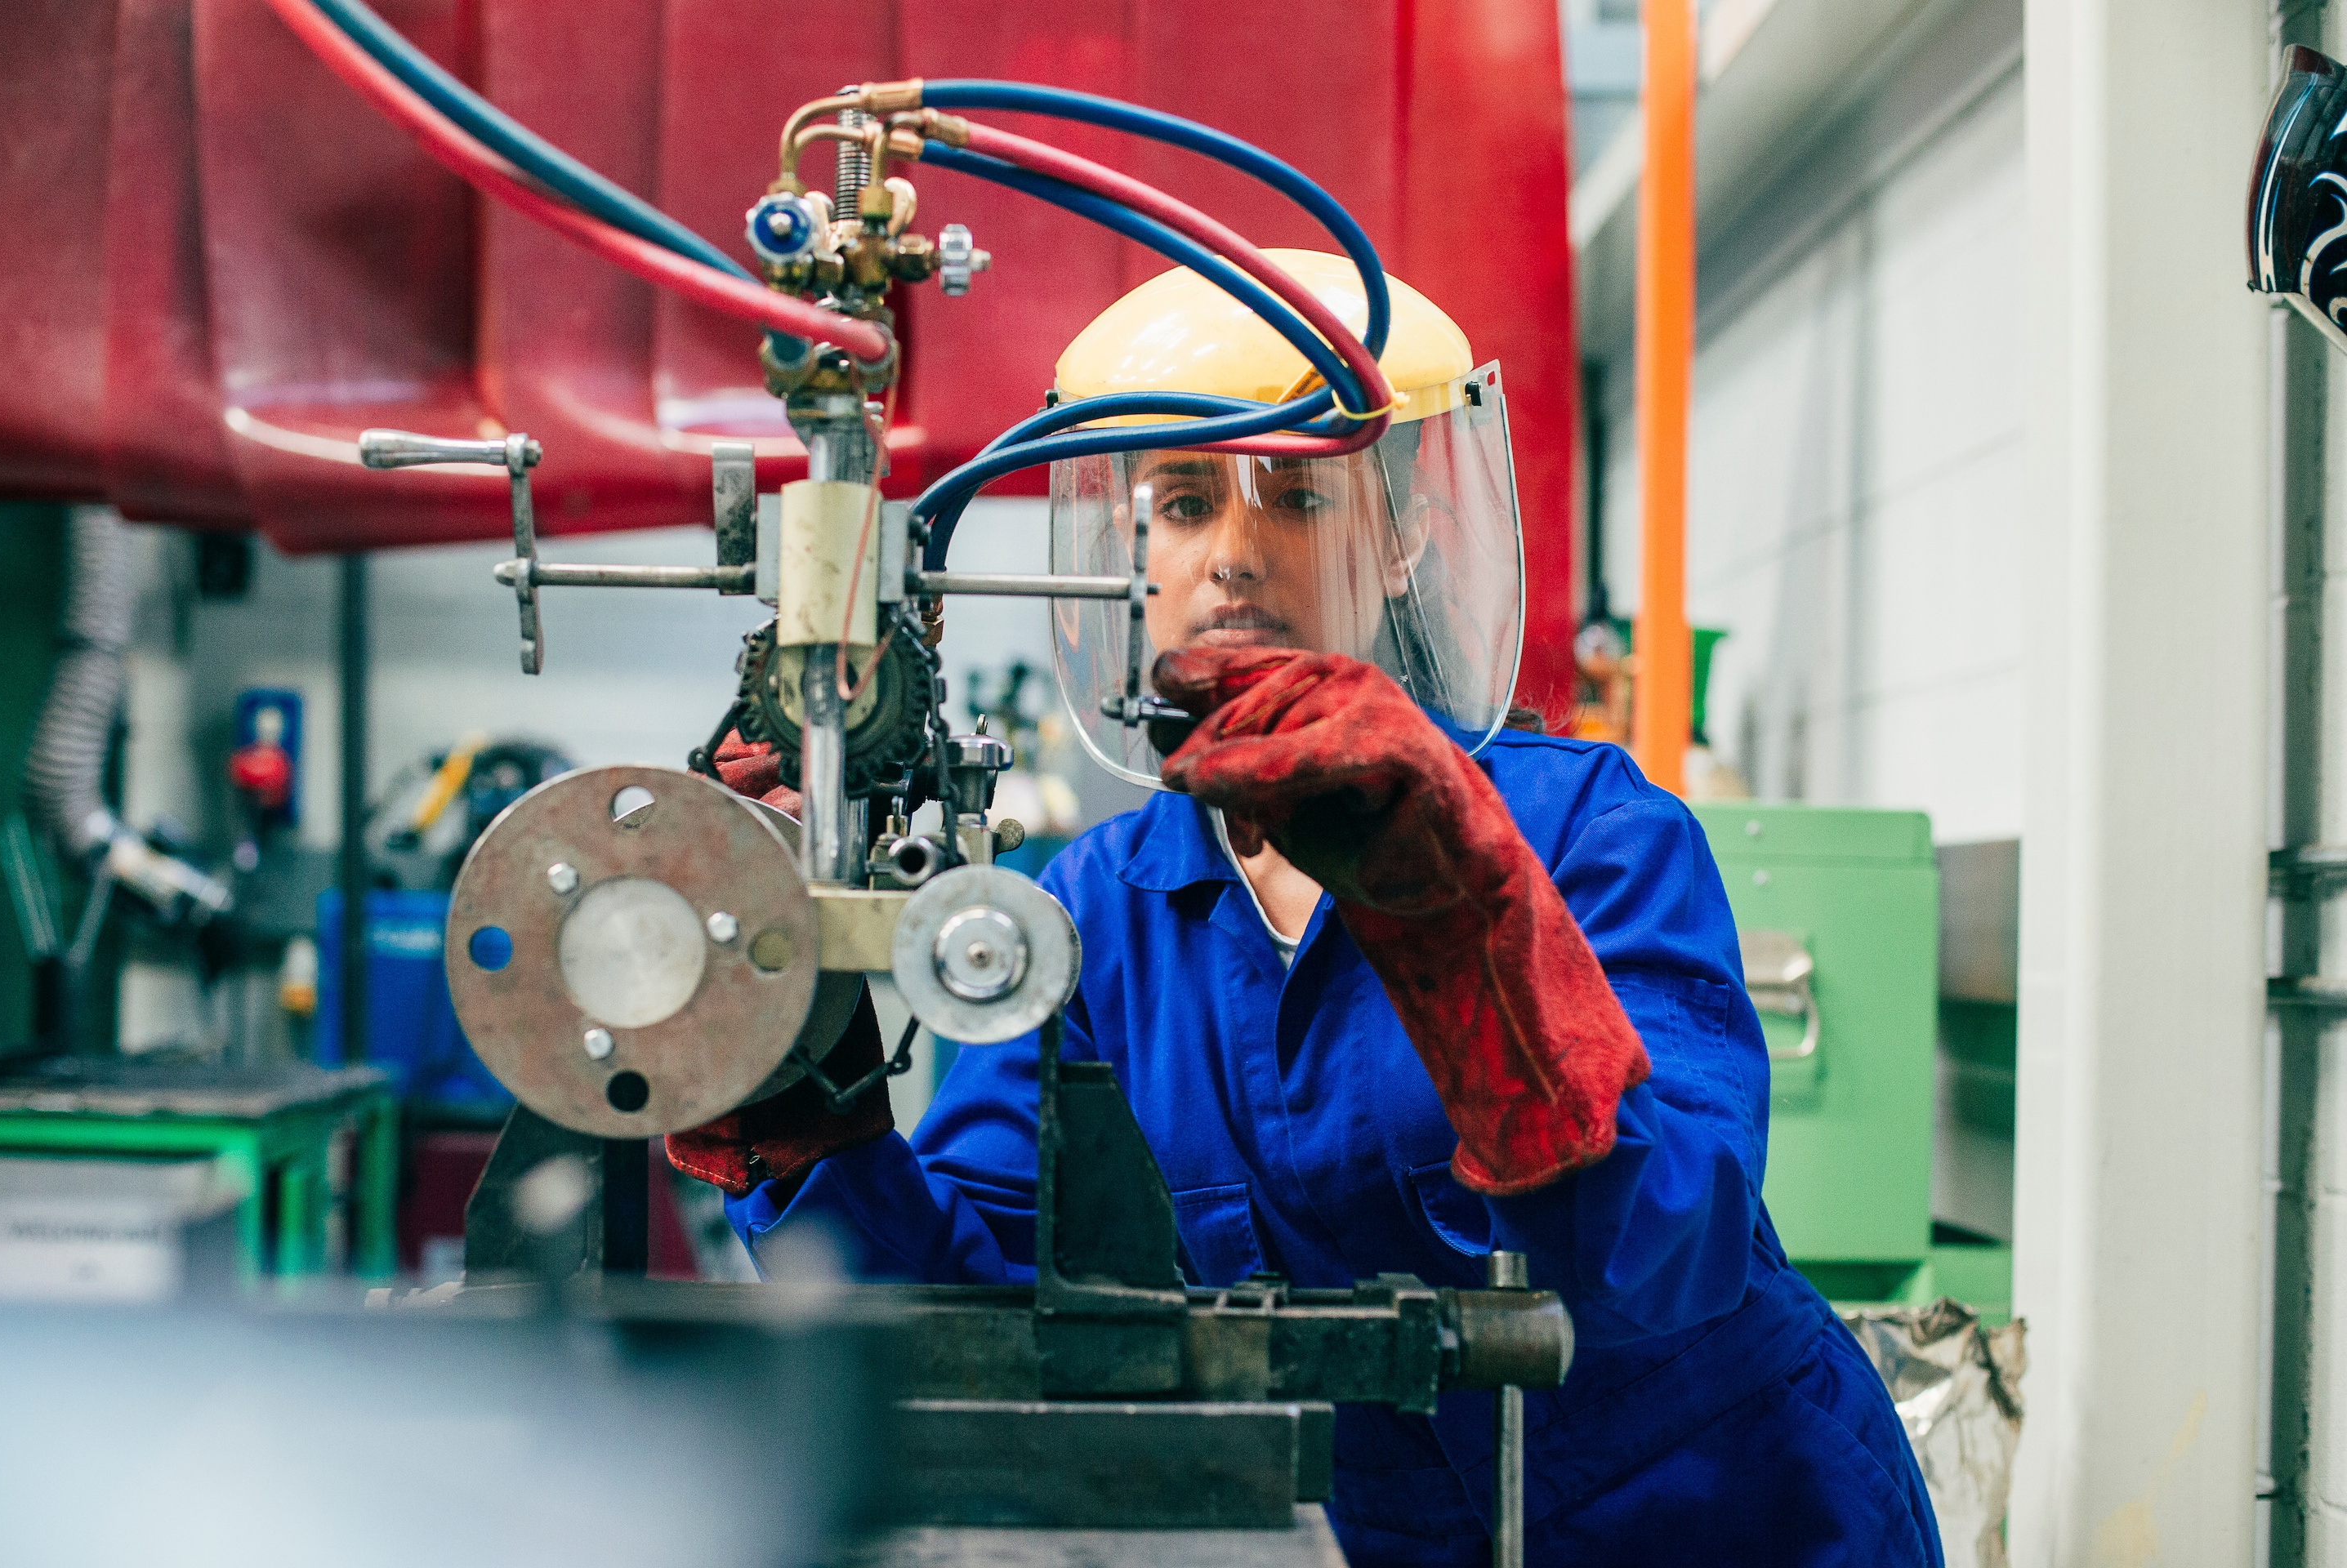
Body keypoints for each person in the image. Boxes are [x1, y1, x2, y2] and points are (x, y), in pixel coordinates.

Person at [669, 252, 1941, 1567]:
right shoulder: (1094, 920)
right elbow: (988, 1317)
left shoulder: (1588, 834)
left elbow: (1668, 1248)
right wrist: (791, 1102)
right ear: (1129, 557)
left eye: (1293, 494)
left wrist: (1458, 912)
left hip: (1716, 1517)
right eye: (1181, 501)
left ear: (1398, 542)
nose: (1232, 554)